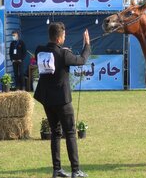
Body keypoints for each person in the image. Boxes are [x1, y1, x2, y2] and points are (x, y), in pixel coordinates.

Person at [34, 22, 90, 178]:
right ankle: (75, 170)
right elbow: (81, 60)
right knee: (71, 133)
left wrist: (62, 50)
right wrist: (87, 44)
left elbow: (52, 53)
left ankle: (56, 169)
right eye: (64, 36)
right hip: (62, 101)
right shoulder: (64, 54)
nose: (64, 38)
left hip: (47, 100)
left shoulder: (40, 50)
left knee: (55, 133)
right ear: (59, 38)